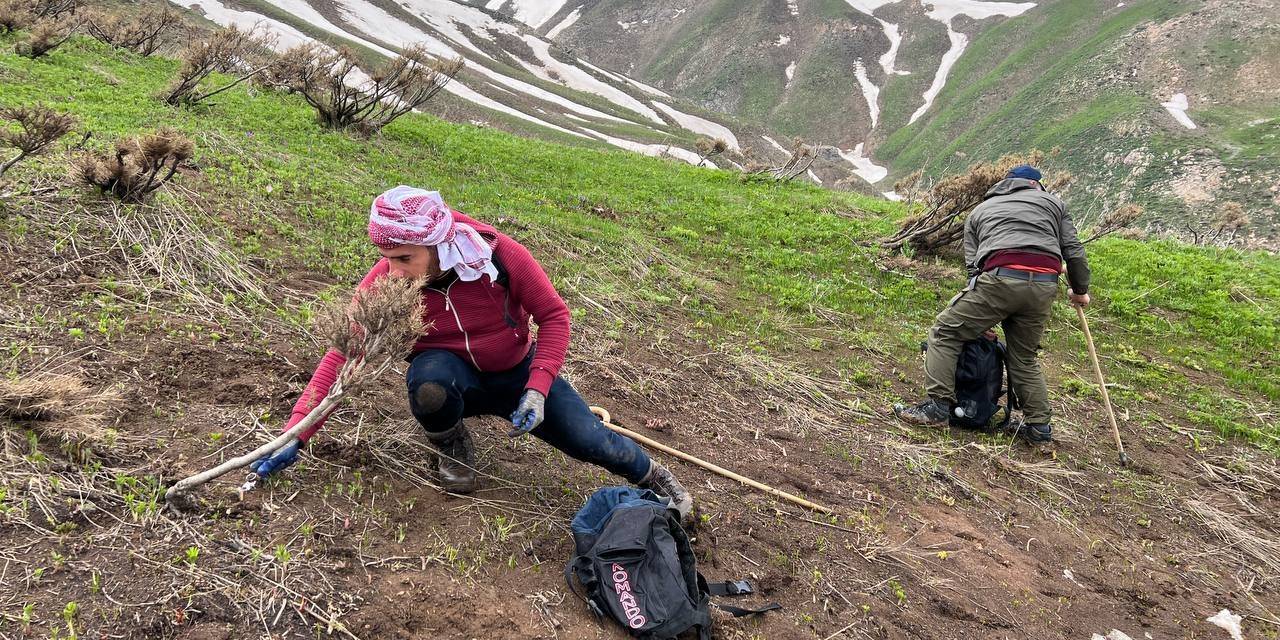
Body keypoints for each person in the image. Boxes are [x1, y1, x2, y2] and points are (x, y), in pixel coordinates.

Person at [250, 186, 693, 516]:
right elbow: (342, 356)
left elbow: (555, 317)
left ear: (438, 245)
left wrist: (538, 389)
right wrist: (297, 432)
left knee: (592, 441)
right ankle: (450, 443)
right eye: (387, 258)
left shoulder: (500, 257)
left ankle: (654, 477)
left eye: (404, 258)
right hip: (449, 377)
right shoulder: (386, 283)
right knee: (429, 384)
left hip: (516, 376)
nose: (393, 271)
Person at [893, 165, 1091, 443]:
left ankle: (937, 409)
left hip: (999, 279)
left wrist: (979, 321)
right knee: (1024, 357)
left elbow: (974, 269)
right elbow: (1074, 251)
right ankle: (1039, 430)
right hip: (1044, 286)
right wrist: (1080, 290)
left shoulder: (979, 211)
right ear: (1037, 186)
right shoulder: (1054, 204)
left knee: (945, 331)